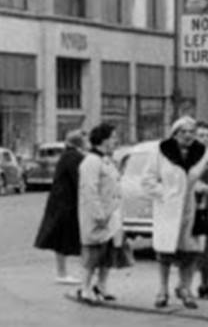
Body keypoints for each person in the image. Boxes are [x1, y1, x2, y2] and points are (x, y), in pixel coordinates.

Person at [150, 115, 208, 308]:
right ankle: (162, 290)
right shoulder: (161, 150)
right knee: (165, 253)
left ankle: (185, 288)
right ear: (175, 133)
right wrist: (165, 194)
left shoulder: (202, 152)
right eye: (184, 132)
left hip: (193, 208)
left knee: (191, 252)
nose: (189, 136)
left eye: (192, 132)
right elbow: (148, 180)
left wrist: (201, 187)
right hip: (168, 209)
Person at [78, 122, 128, 305]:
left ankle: (101, 286)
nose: (116, 140)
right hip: (98, 216)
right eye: (113, 137)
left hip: (112, 214)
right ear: (103, 140)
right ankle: (85, 288)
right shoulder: (91, 161)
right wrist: (98, 214)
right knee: (93, 253)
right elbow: (90, 190)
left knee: (108, 252)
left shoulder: (106, 160)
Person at [33, 129, 86, 285]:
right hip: (68, 204)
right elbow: (79, 180)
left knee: (61, 238)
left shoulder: (66, 156)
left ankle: (62, 272)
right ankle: (69, 273)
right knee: (67, 237)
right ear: (80, 143)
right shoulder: (75, 157)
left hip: (59, 202)